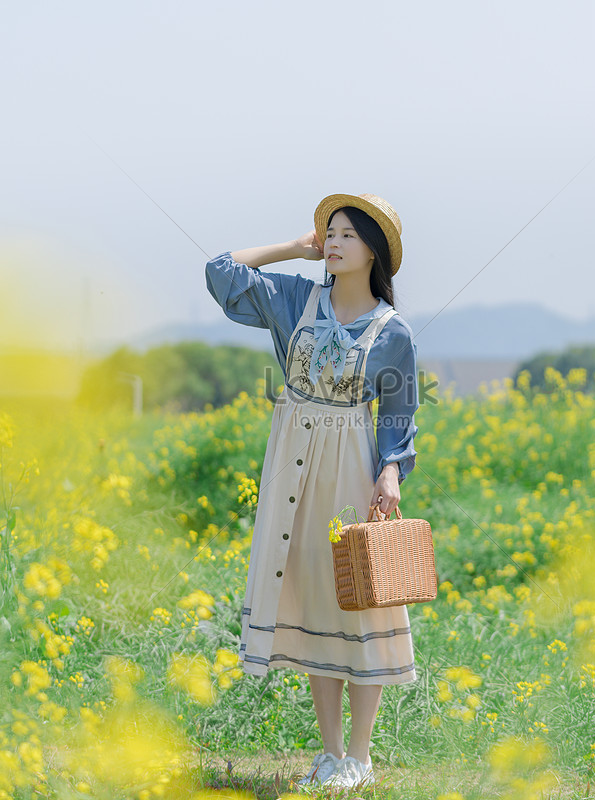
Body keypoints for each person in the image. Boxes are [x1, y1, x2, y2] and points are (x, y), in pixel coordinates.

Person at [204, 193, 420, 789]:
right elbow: (221, 273)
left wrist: (390, 475)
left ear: (374, 250)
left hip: (349, 463)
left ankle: (361, 755)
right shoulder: (298, 299)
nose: (333, 241)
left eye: (347, 234)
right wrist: (294, 248)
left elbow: (399, 415)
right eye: (329, 232)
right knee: (313, 599)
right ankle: (329, 753)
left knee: (359, 598)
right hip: (291, 464)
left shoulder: (391, 332)